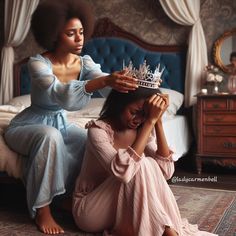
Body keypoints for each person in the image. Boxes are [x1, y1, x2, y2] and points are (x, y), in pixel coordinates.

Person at [4, 0, 137, 234]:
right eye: (71, 34)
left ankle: (73, 198)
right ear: (55, 35)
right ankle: (43, 210)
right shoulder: (38, 63)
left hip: (62, 123)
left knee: (89, 140)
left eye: (82, 32)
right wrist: (104, 80)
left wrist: (122, 83)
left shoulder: (84, 62)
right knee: (50, 137)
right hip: (29, 124)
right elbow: (58, 93)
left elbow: (103, 82)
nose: (79, 39)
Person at [72, 79, 217, 235]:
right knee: (140, 164)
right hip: (92, 210)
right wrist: (149, 122)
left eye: (145, 115)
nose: (139, 120)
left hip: (123, 208)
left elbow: (165, 172)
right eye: (134, 112)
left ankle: (165, 230)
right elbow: (123, 172)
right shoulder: (98, 131)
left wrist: (158, 122)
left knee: (148, 164)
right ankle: (167, 231)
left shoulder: (142, 129)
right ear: (120, 103)